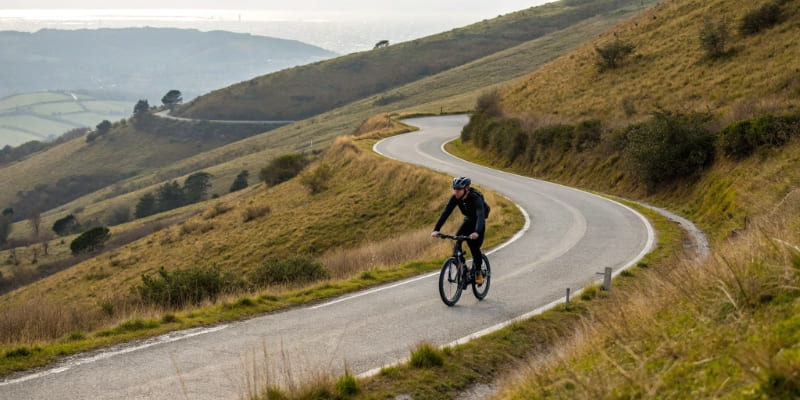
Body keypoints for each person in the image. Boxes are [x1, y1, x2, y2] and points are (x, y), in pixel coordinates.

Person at [431, 176, 487, 284]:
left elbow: (480, 215)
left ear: (466, 189)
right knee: (457, 244)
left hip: (479, 223)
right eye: (455, 189)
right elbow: (446, 213)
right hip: (468, 221)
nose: (456, 192)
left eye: (458, 189)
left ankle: (478, 271)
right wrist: (436, 229)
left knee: (474, 246)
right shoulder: (455, 198)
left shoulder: (476, 198)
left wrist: (476, 232)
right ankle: (464, 268)